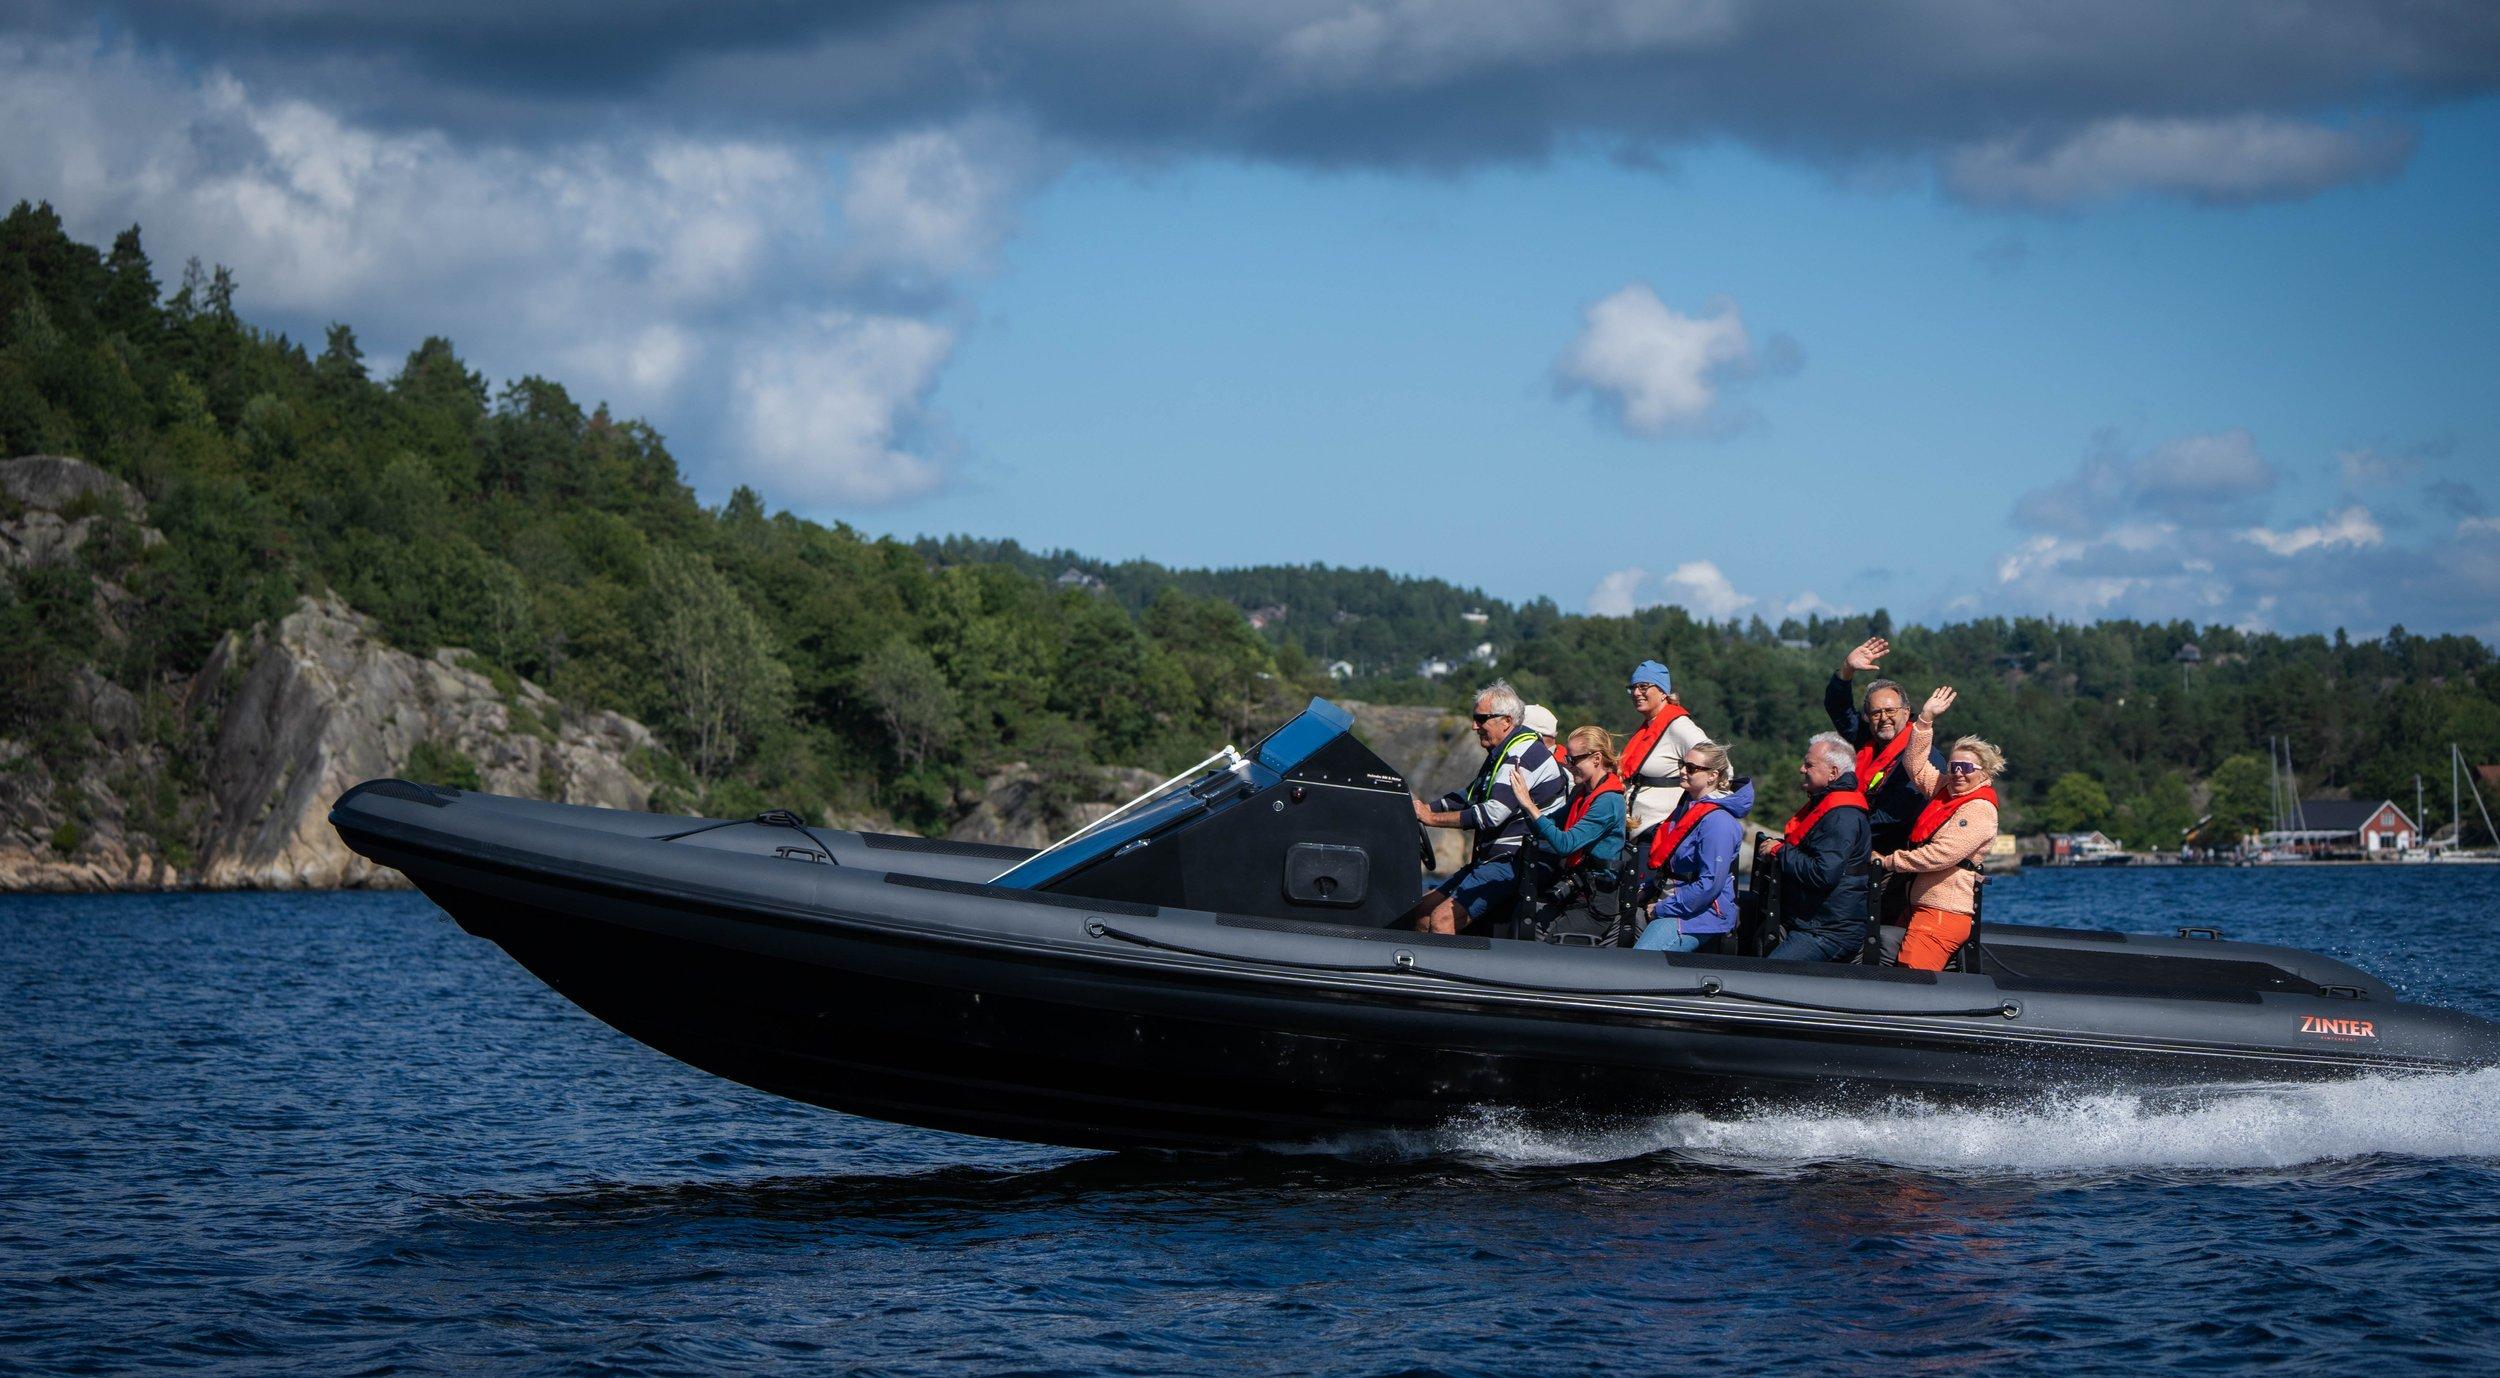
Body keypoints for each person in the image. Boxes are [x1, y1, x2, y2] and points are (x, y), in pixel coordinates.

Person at [1411, 680, 1566, 935]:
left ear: (1506, 721)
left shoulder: (1521, 755)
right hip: (1493, 857)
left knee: (1442, 920)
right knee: (1423, 911)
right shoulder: (1502, 752)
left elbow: (1493, 813)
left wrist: (1431, 819)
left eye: (1481, 719)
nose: (1475, 726)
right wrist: (1424, 808)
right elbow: (1470, 795)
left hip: (1515, 861)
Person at [1873, 687, 2003, 971]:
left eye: (1966, 767)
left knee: (1913, 979)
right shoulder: (1945, 790)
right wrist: (1925, 721)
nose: (1958, 772)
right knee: (1894, 969)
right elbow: (1915, 765)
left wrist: (1890, 861)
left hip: (1943, 912)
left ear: (1984, 772)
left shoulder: (1979, 809)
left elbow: (1942, 854)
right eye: (1954, 766)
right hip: (1920, 906)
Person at [1756, 731, 1872, 962]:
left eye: (1809, 765)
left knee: (1770, 975)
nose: (1801, 769)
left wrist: (1780, 851)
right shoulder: (1830, 807)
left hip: (1829, 931)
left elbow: (1823, 873)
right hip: (1810, 921)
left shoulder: (1842, 816)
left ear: (1833, 773)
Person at [1825, 637, 1945, 854]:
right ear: (1868, 717)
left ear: (1906, 712)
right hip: (1859, 843)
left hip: (1895, 854)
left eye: (1890, 711)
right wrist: (1847, 670)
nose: (1883, 718)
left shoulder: (1924, 755)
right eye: (1876, 713)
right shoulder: (1867, 738)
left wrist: (1847, 832)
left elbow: (1897, 813)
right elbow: (1839, 710)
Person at [1508, 726, 1628, 942]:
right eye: (1567, 759)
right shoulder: (1581, 793)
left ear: (1596, 758)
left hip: (1595, 902)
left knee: (1554, 944)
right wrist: (1524, 802)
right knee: (1523, 917)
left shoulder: (1609, 801)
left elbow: (1565, 844)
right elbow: (1547, 825)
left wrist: (1529, 804)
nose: (1569, 766)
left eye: (1573, 760)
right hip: (1574, 889)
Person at [1633, 741, 1754, 953]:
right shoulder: (1687, 809)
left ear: (1712, 776)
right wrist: (1648, 890)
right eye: (1682, 764)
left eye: (1691, 768)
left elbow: (1709, 884)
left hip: (1699, 916)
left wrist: (1662, 908)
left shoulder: (1718, 822)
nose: (1682, 771)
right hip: (1670, 901)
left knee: (1640, 961)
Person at [1620, 660, 1712, 839]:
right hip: (1636, 835)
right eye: (1633, 687)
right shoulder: (1649, 725)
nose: (1636, 692)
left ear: (1663, 692)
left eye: (1643, 686)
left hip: (1657, 835)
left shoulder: (1679, 727)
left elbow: (1720, 764)